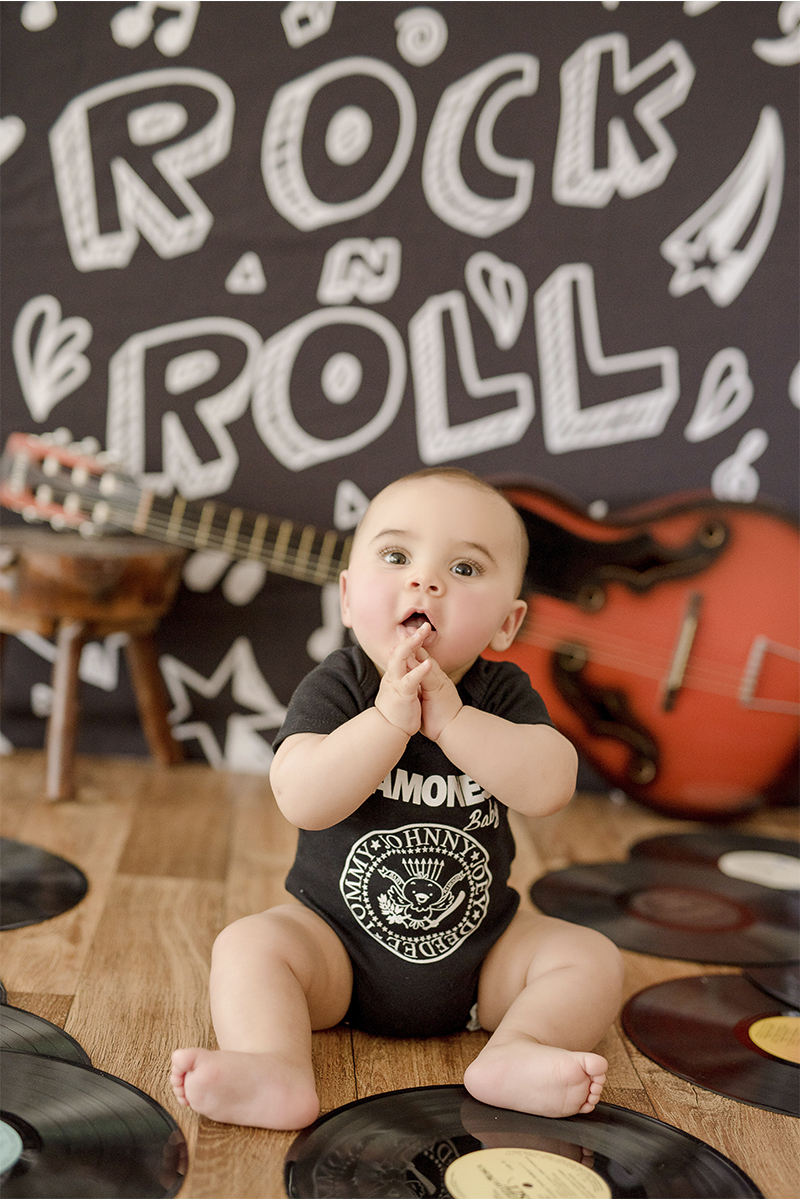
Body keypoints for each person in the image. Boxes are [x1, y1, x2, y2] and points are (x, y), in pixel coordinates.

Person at [171, 468, 624, 1130]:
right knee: (249, 946)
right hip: (335, 950)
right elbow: (301, 797)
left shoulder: (500, 696)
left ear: (507, 622)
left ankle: (517, 1052)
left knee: (590, 959)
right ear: (349, 599)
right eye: (396, 556)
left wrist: (452, 722)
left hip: (482, 957)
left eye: (465, 568)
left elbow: (550, 784)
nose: (425, 581)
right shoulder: (340, 687)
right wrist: (387, 723)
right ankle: (274, 1065)